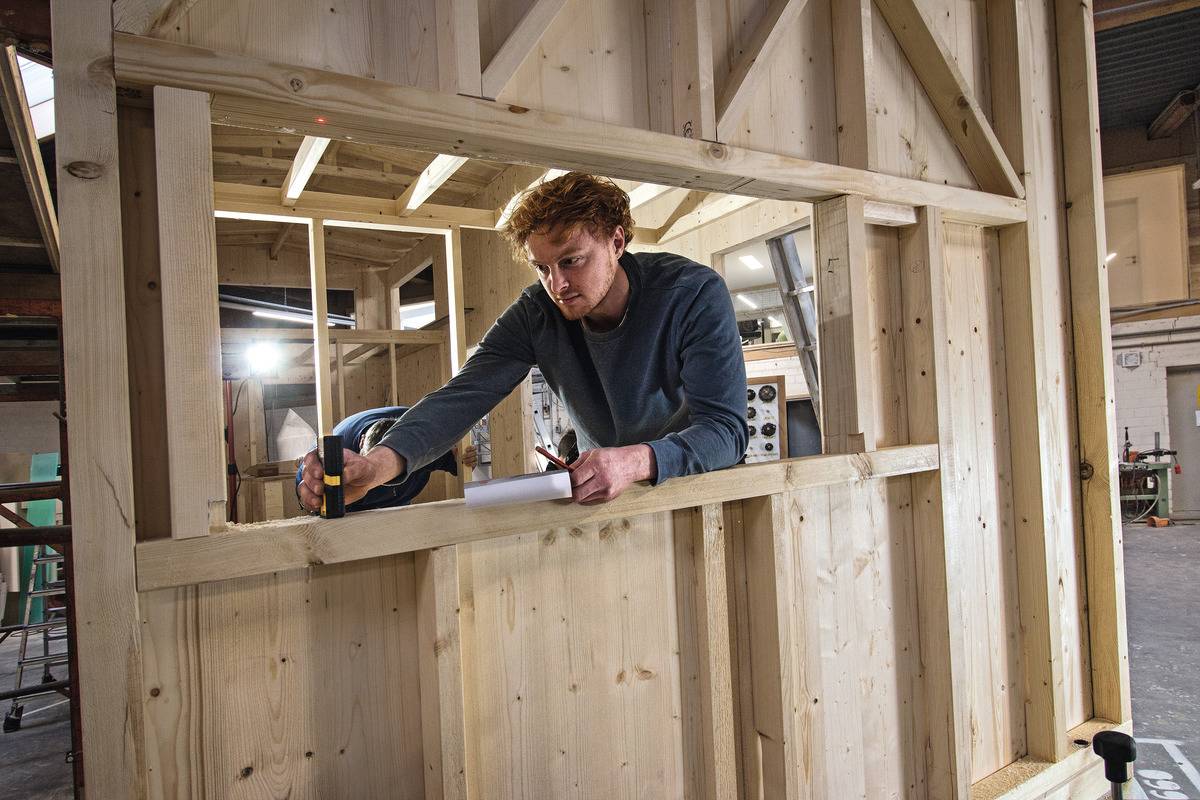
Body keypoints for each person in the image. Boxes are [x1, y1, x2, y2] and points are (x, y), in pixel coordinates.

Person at [299, 172, 748, 510]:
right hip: (604, 504)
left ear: (616, 241)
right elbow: (461, 397)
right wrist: (377, 466)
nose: (558, 285)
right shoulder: (536, 313)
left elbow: (726, 432)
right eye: (542, 268)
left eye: (571, 261)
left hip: (699, 493)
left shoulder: (693, 294)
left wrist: (632, 462)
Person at [295, 406, 458, 512]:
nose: (379, 480)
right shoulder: (337, 453)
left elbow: (459, 461)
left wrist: (467, 458)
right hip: (356, 509)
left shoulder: (422, 439)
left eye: (391, 472)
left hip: (399, 506)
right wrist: (309, 496)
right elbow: (307, 480)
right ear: (361, 441)